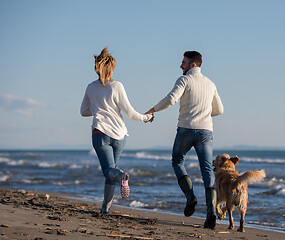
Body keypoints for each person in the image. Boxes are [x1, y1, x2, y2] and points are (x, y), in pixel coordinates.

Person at [146, 51, 223, 229]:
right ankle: (211, 213)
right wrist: (203, 112)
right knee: (207, 170)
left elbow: (171, 99)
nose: (181, 66)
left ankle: (190, 197)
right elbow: (219, 110)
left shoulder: (184, 80)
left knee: (177, 160)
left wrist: (153, 110)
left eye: (183, 62)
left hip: (186, 130)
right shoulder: (211, 84)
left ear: (193, 64)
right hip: (205, 130)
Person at [81, 47, 153, 215]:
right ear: (112, 68)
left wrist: (99, 109)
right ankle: (105, 209)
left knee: (109, 171)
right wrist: (146, 117)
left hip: (100, 133)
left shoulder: (91, 87)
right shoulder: (117, 86)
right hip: (120, 135)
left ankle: (121, 177)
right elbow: (130, 113)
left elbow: (83, 111)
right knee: (109, 172)